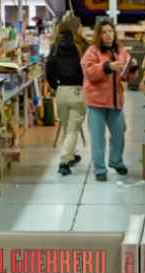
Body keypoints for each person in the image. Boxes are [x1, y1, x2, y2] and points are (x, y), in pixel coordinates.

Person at [81, 19, 138, 182]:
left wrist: (131, 67)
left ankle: (116, 161)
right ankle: (100, 169)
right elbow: (90, 72)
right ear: (99, 35)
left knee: (119, 133)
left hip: (116, 101)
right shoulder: (92, 51)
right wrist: (107, 66)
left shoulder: (121, 50)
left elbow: (126, 77)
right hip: (96, 102)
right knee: (98, 139)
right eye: (104, 32)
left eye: (110, 31)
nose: (108, 35)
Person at [45, 14, 87, 175]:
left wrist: (54, 86)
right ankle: (64, 161)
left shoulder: (55, 46)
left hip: (61, 90)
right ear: (77, 28)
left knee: (66, 127)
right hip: (78, 90)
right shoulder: (82, 45)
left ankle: (72, 155)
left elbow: (49, 69)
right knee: (73, 128)